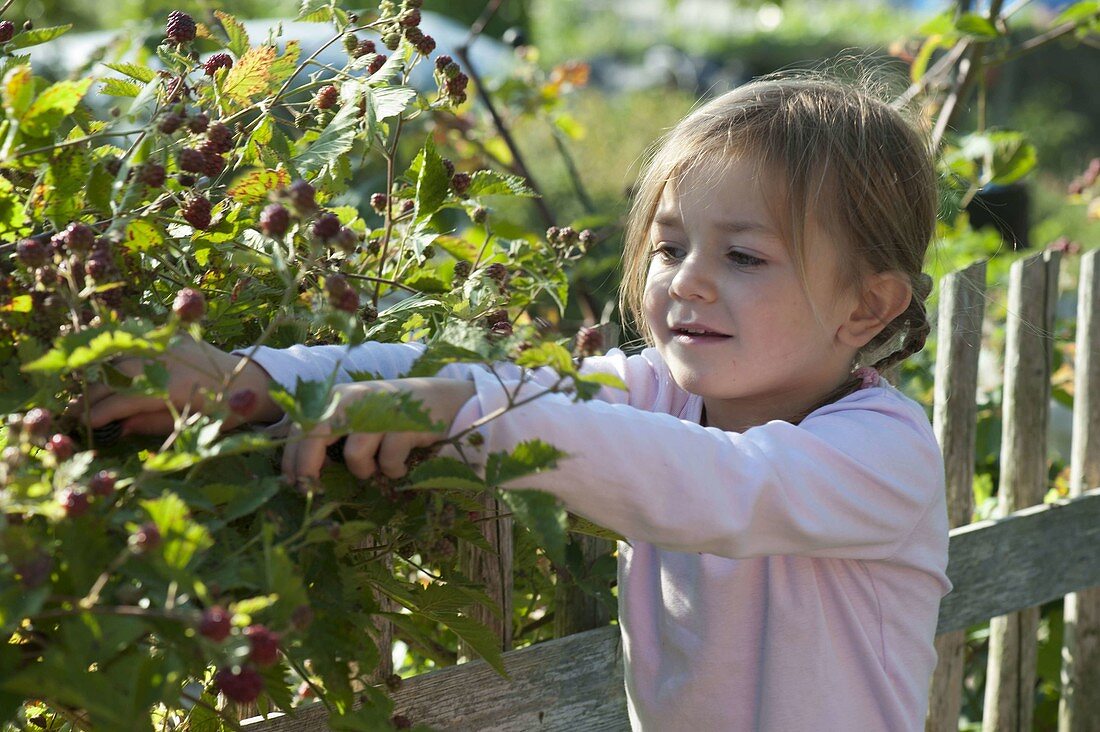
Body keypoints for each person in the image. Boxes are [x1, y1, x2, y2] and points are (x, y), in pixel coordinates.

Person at [74, 72, 951, 730]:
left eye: (745, 257)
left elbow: (722, 488)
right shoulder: (656, 393)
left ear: (867, 306)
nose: (687, 283)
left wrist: (455, 410)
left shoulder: (882, 452)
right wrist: (257, 381)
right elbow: (477, 377)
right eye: (670, 246)